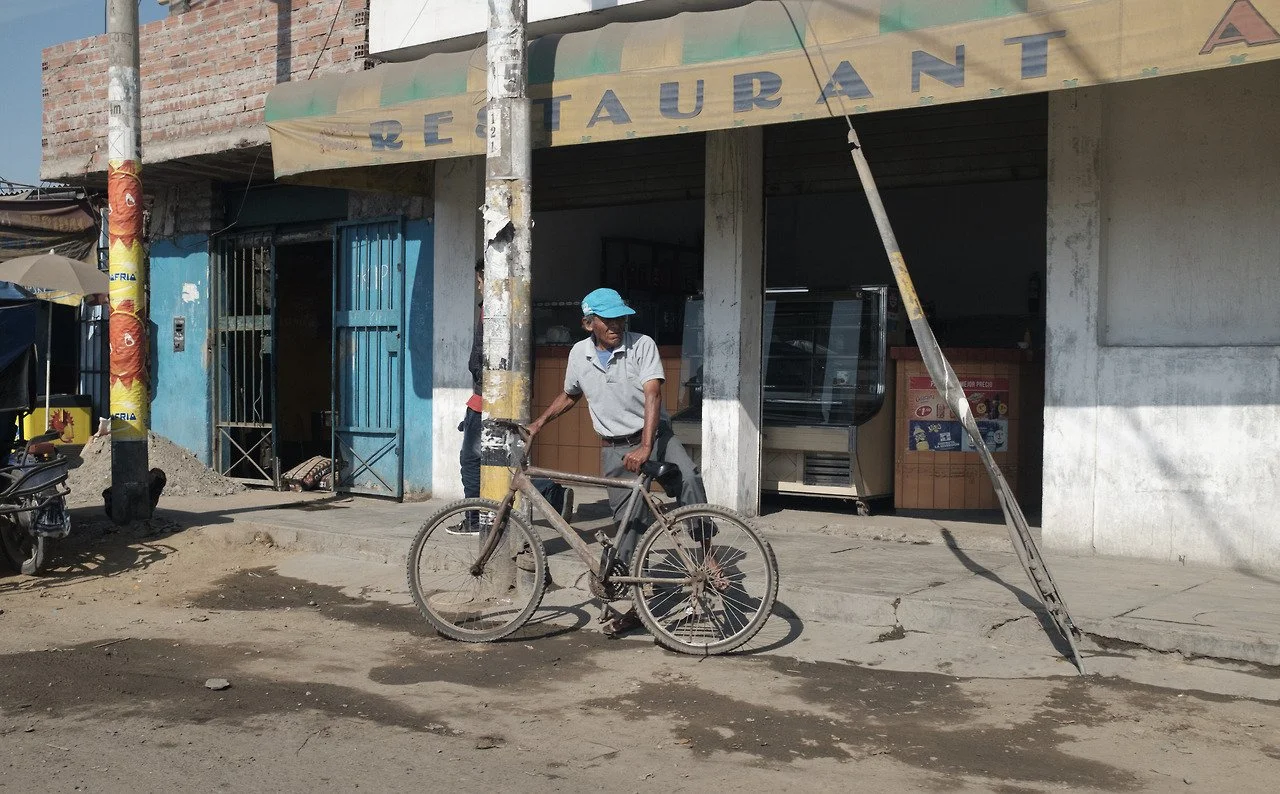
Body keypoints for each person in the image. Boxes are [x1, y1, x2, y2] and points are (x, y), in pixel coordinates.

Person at [526, 287, 709, 633]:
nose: (616, 325)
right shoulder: (579, 354)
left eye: (620, 318)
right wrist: (538, 424)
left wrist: (645, 446)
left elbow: (653, 394)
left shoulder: (642, 345)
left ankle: (706, 554)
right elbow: (570, 394)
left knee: (689, 477)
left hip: (655, 436)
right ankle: (635, 605)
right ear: (588, 323)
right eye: (608, 320)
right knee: (629, 525)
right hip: (614, 448)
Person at [452, 258, 571, 534]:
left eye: (480, 281)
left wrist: (482, 382)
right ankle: (550, 492)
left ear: (489, 278)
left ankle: (474, 519)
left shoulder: (497, 309)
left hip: (489, 399)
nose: (478, 287)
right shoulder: (513, 306)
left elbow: (485, 358)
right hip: (498, 397)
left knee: (474, 461)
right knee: (501, 459)